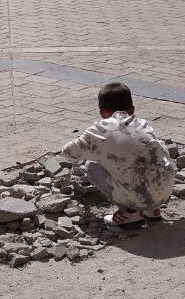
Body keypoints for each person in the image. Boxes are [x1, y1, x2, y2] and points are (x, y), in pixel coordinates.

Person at [60, 82, 176, 228]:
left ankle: (130, 213)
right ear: (132, 109)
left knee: (91, 165)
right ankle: (152, 211)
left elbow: (67, 153)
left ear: (102, 112)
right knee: (146, 161)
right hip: (165, 192)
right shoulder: (142, 123)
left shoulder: (99, 131)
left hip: (137, 197)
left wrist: (100, 153)